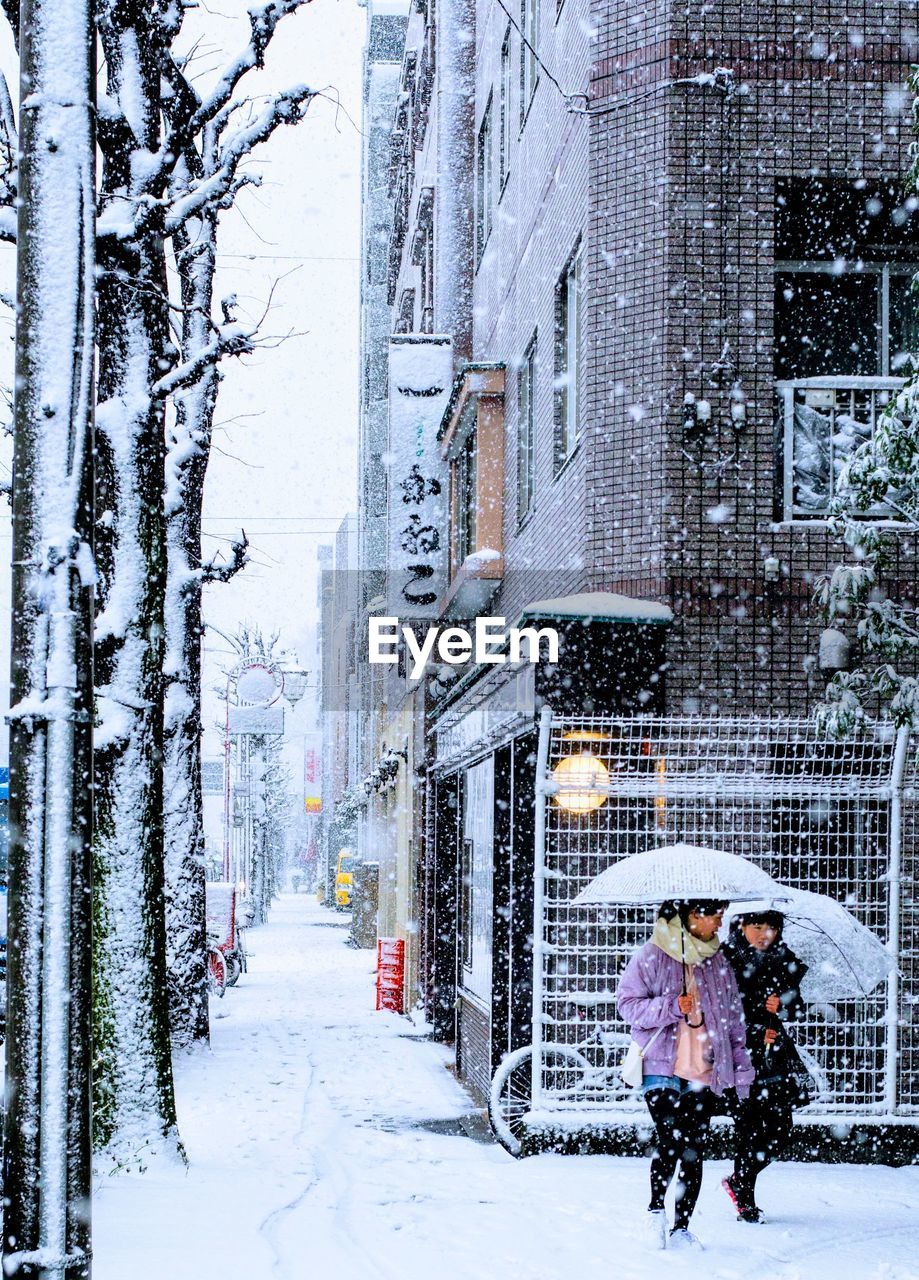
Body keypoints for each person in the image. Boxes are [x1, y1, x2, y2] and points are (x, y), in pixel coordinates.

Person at [617, 899, 754, 1251]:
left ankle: (681, 1228)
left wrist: (740, 1070)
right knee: (670, 1138)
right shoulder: (653, 954)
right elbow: (627, 1005)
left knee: (694, 1148)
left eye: (722, 916)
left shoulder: (717, 960)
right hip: (662, 1067)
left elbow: (733, 1019)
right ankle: (654, 1213)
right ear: (693, 917)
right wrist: (671, 1007)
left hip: (703, 1070)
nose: (720, 925)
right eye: (715, 916)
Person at [721, 909, 810, 1224]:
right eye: (756, 926)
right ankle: (746, 1195)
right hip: (738, 1056)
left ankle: (739, 1179)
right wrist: (757, 1029)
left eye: (770, 927)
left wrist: (784, 1002)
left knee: (780, 1130)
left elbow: (798, 1004)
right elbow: (720, 1012)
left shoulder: (784, 958)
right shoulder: (725, 961)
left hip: (774, 1057)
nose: (764, 934)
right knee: (748, 1128)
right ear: (742, 926)